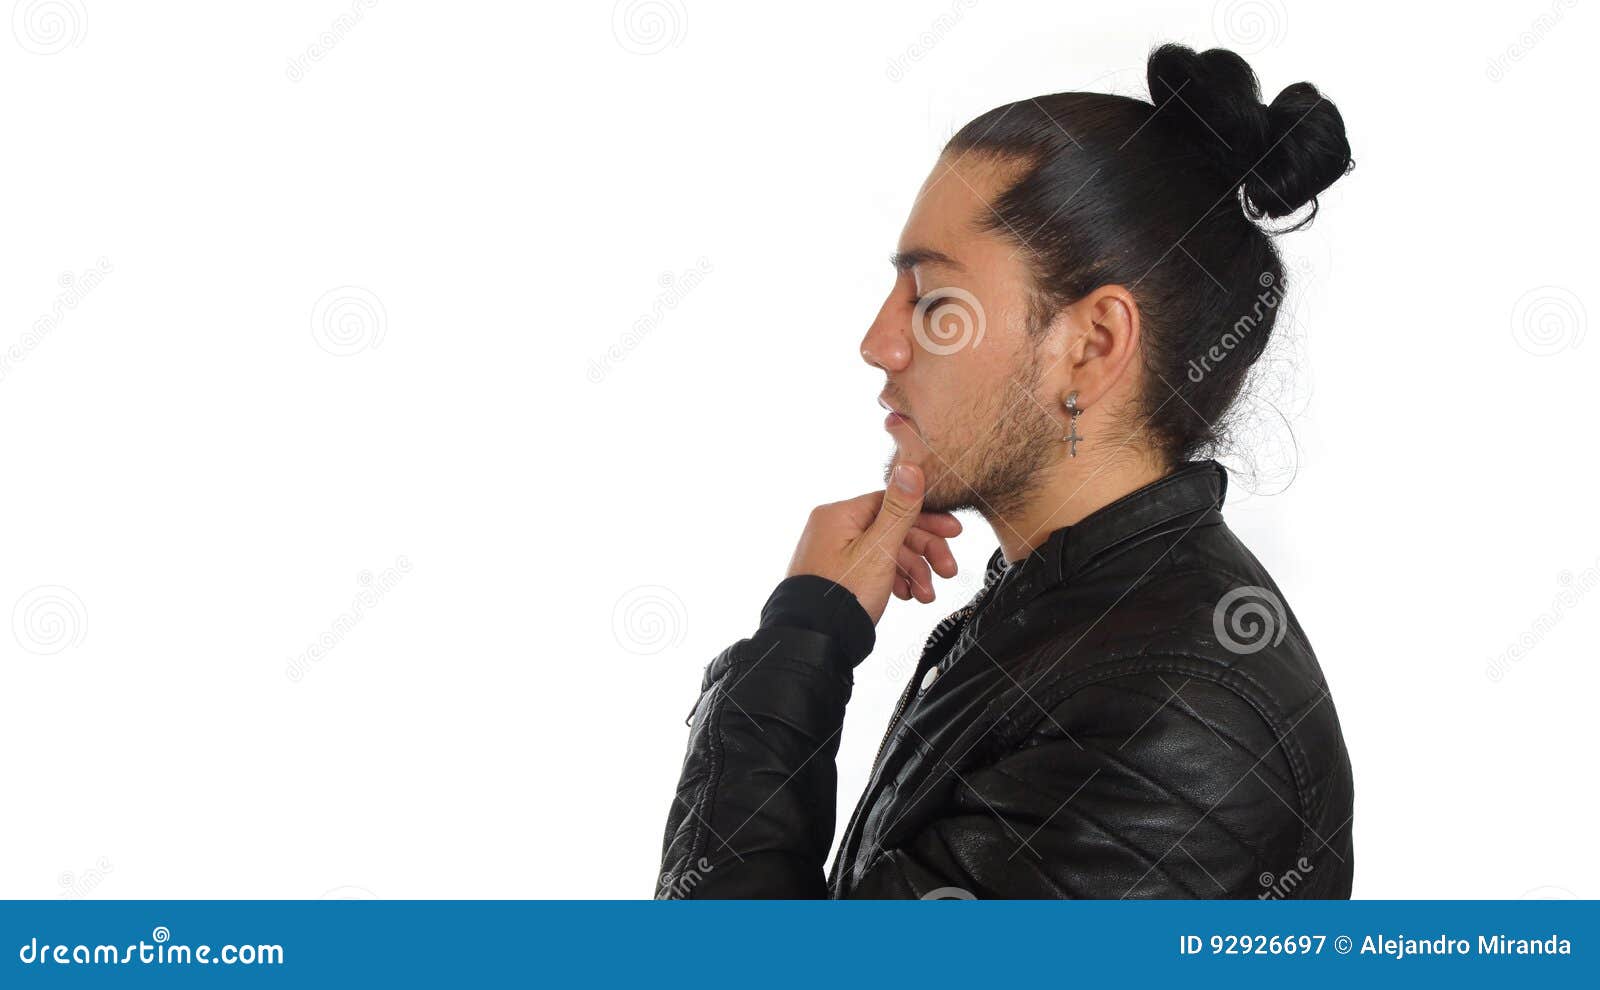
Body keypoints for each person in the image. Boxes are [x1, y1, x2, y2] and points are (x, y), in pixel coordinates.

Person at [657, 43, 1355, 899]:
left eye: (935, 301)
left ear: (1092, 347)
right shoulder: (1068, 618)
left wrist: (801, 642)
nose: (878, 344)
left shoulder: (1174, 723)